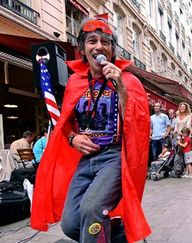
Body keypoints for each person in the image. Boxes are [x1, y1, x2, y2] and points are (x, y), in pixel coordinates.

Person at [31, 16, 151, 242]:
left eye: (105, 42)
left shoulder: (128, 80)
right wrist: (73, 139)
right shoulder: (75, 82)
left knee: (92, 209)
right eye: (92, 41)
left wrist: (121, 88)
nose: (99, 46)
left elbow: (138, 123)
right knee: (70, 225)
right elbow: (64, 124)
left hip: (114, 157)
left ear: (112, 49)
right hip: (86, 160)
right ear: (82, 49)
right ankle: (119, 235)